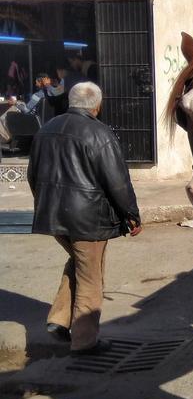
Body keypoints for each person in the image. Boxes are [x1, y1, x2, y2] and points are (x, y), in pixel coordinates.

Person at [27, 82, 142, 355]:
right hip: (88, 219)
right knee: (91, 276)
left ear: (70, 101)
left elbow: (33, 176)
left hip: (53, 215)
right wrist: (132, 214)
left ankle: (58, 319)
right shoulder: (99, 133)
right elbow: (117, 182)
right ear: (97, 106)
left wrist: (46, 204)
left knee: (78, 262)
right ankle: (84, 340)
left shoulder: (46, 129)